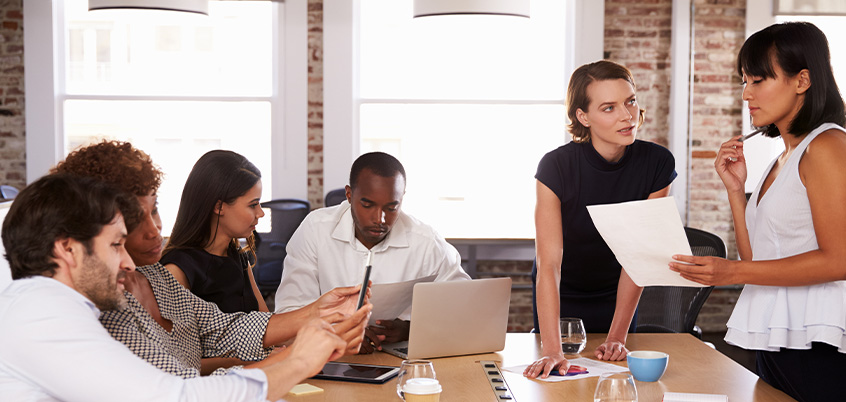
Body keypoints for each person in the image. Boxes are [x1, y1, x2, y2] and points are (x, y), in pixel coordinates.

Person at [0, 174, 347, 401]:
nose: (128, 263)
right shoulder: (42, 319)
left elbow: (221, 330)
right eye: (115, 245)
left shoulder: (52, 309)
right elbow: (176, 398)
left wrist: (316, 318)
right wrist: (299, 360)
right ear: (67, 249)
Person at [53, 140, 370, 377]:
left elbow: (230, 329)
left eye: (155, 209)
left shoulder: (157, 279)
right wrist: (301, 355)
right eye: (135, 221)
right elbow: (185, 389)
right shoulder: (106, 309)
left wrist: (321, 311)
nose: (155, 229)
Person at [669, 22, 846, 402]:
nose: (747, 94)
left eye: (759, 80)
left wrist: (730, 271)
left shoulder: (828, 146)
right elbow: (758, 262)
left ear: (802, 80)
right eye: (744, 81)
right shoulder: (782, 158)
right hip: (782, 336)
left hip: (818, 337)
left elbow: (840, 259)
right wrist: (736, 191)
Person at [524, 60, 677, 379]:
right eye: (609, 107)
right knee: (558, 383)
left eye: (630, 101)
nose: (626, 115)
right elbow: (548, 264)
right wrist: (551, 348)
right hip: (561, 293)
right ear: (583, 116)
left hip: (617, 293)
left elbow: (638, 258)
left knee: (616, 381)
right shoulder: (555, 167)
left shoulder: (657, 163)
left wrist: (618, 336)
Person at [274, 152, 471, 353]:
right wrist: (337, 332)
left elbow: (464, 308)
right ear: (349, 195)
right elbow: (288, 314)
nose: (380, 219)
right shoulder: (315, 229)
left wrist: (412, 329)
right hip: (328, 358)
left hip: (400, 361)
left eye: (392, 207)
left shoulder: (426, 241)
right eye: (367, 205)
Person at [161, 150, 267, 314]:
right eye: (253, 205)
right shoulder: (177, 270)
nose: (261, 213)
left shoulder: (238, 257)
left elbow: (266, 324)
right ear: (219, 207)